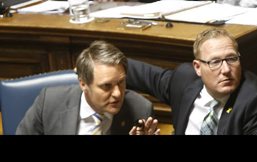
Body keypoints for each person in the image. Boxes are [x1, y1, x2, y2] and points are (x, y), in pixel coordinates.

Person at [126, 28, 257, 135]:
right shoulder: (184, 80)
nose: (226, 69)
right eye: (215, 62)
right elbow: (143, 74)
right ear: (198, 67)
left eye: (232, 59)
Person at [16, 40, 159, 135]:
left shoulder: (141, 109)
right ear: (83, 84)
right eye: (106, 86)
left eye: (121, 82)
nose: (117, 93)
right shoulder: (49, 102)